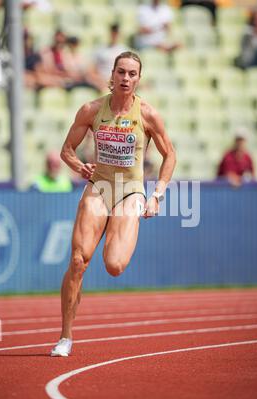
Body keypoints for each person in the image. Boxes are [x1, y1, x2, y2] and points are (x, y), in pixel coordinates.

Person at [50, 51, 176, 356]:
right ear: (113, 74)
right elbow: (67, 149)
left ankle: (115, 234)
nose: (126, 78)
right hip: (99, 186)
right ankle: (65, 336)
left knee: (115, 265)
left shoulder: (147, 114)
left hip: (131, 191)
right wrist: (78, 167)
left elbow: (169, 155)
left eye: (132, 74)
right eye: (121, 72)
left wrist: (157, 195)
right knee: (79, 262)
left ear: (138, 79)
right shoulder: (91, 109)